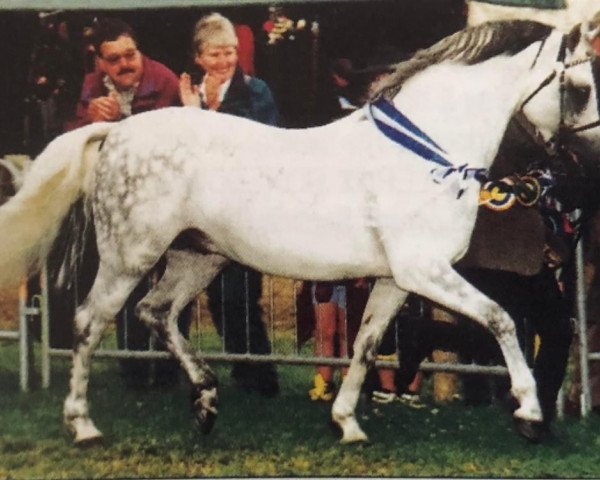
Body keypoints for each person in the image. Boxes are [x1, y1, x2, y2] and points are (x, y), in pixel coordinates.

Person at [49, 17, 181, 388]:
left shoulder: (165, 81)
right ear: (100, 62)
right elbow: (72, 138)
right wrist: (87, 121)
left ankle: (170, 371)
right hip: (121, 210)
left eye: (131, 55)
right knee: (128, 285)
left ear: (140, 52)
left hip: (165, 204)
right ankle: (133, 369)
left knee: (170, 285)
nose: (126, 64)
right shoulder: (91, 85)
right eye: (115, 58)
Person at [178, 12, 279, 396]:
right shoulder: (189, 93)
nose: (224, 62)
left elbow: (262, 143)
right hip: (198, 215)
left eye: (230, 53)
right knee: (211, 297)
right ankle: (236, 371)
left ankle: (262, 378)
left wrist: (210, 116)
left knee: (239, 296)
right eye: (216, 54)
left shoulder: (257, 92)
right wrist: (191, 115)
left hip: (242, 211)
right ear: (199, 57)